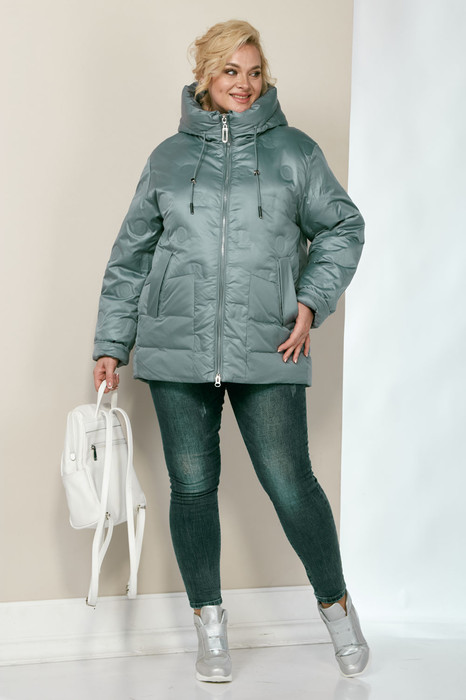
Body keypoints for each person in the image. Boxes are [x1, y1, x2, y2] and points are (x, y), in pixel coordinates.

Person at [93, 19, 369, 682]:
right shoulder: (167, 159)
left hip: (270, 343)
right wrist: (111, 343)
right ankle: (210, 628)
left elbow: (343, 227)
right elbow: (130, 258)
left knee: (290, 484)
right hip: (175, 347)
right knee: (192, 488)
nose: (243, 84)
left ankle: (337, 610)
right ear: (204, 77)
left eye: (253, 71)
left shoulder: (295, 153)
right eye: (229, 71)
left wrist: (309, 302)